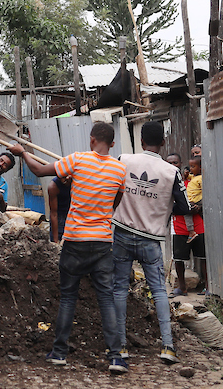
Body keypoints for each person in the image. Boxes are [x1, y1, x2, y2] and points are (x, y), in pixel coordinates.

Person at [13, 123, 129, 373]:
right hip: (102, 242)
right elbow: (115, 201)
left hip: (75, 240)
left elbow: (39, 170)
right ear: (112, 144)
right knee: (106, 299)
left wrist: (22, 153)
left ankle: (59, 352)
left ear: (91, 140)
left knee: (68, 297)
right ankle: (116, 357)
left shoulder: (77, 160)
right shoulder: (120, 169)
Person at [111, 122, 192, 366]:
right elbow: (184, 207)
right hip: (151, 239)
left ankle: (120, 347)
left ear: (141, 141)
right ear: (163, 143)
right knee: (158, 290)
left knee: (119, 289)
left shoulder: (124, 160)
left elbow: (110, 189)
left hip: (122, 233)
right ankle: (168, 346)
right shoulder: (171, 172)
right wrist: (162, 206)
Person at [172, 154, 207, 295]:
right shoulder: (168, 183)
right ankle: (182, 288)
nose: (173, 166)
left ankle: (207, 287)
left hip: (198, 223)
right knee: (179, 258)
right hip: (179, 225)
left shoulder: (191, 180)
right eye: (170, 163)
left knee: (203, 256)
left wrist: (199, 206)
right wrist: (184, 209)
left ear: (181, 164)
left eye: (175, 163)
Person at [46, 175, 71, 243]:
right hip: (59, 217)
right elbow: (54, 214)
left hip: (73, 216)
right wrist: (55, 241)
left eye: (66, 176)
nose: (65, 180)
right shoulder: (53, 187)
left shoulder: (78, 182)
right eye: (62, 177)